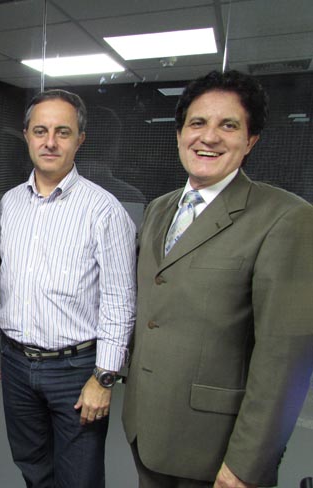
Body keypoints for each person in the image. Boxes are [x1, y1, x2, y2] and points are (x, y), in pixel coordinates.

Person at [122, 70, 313, 488]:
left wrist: (246, 465)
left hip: (216, 452)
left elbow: (284, 361)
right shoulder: (159, 209)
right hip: (147, 430)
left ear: (251, 140)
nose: (208, 137)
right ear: (179, 134)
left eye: (228, 125)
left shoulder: (286, 218)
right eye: (197, 123)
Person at [0, 89, 137, 488]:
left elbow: (120, 301)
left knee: (79, 478)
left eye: (62, 132)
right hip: (15, 363)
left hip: (76, 371)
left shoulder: (105, 211)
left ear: (79, 139)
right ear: (27, 136)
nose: (50, 142)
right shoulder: (7, 205)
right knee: (33, 468)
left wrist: (104, 377)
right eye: (40, 131)